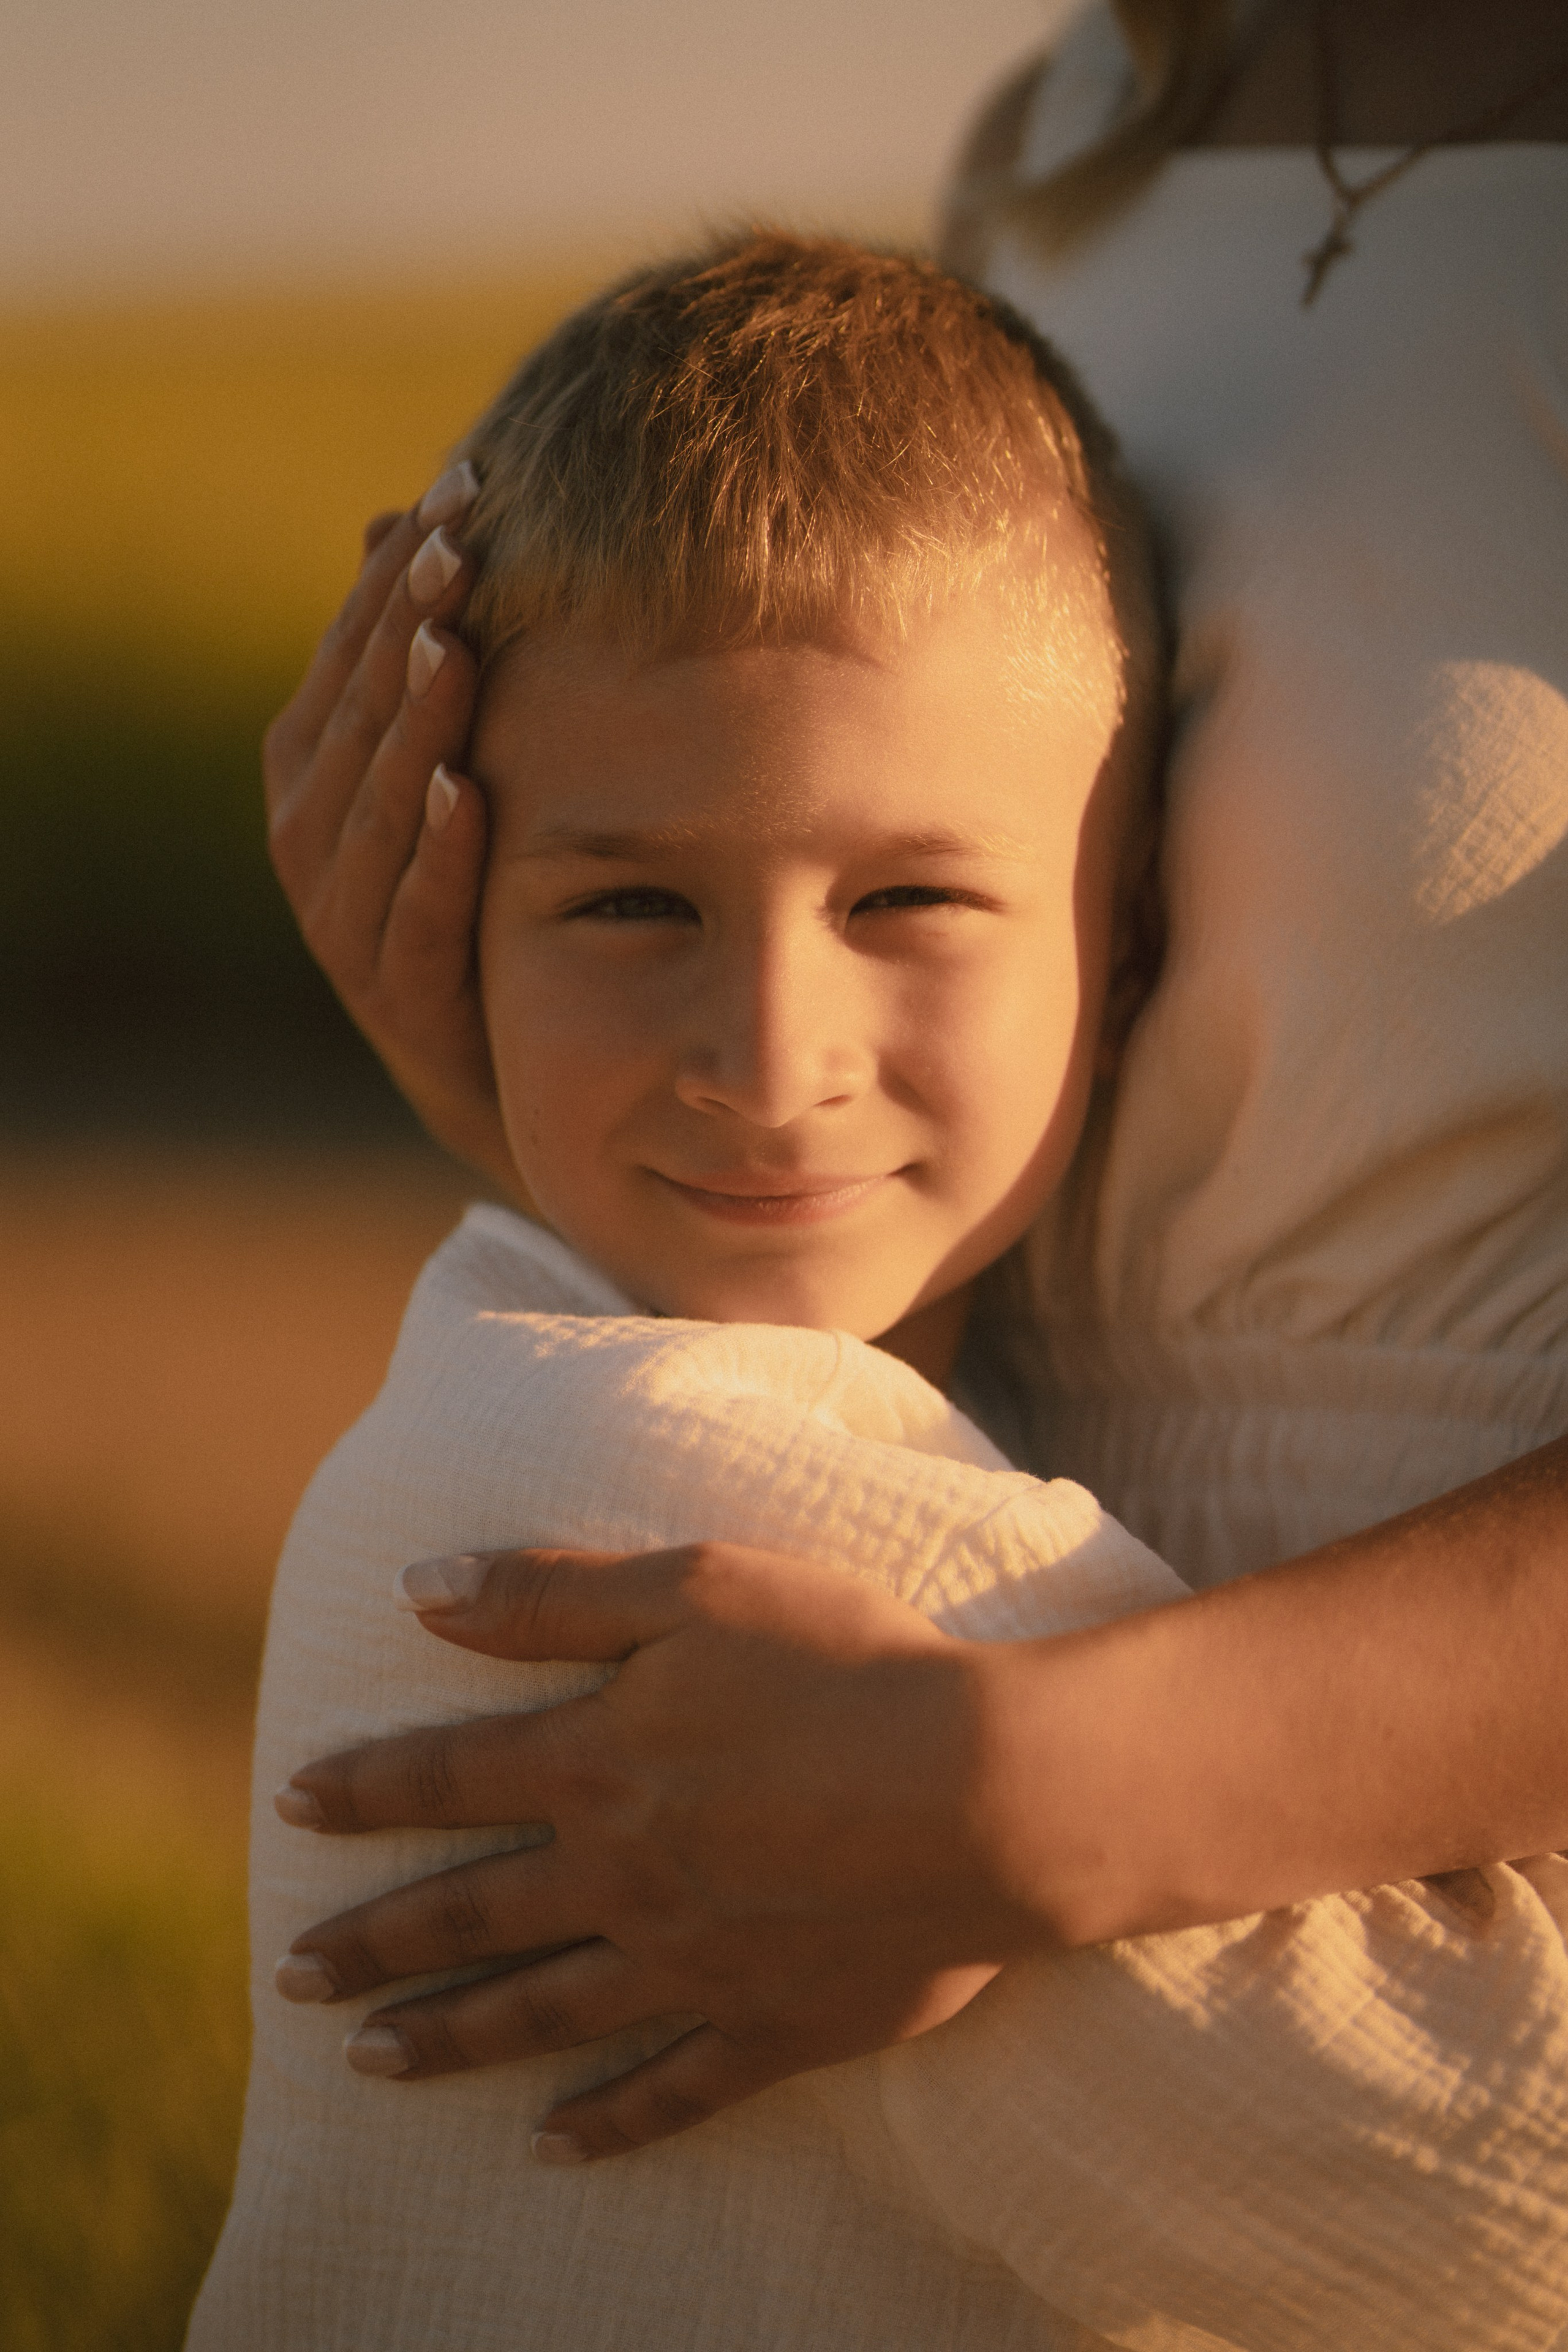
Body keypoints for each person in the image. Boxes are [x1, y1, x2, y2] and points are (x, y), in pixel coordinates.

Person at [250, 3, 1568, 2342]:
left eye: (898, 911)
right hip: (912, 1587)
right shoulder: (1077, 149)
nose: (772, 1053)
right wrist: (550, 1099)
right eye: (632, 902)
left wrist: (1024, 1791)